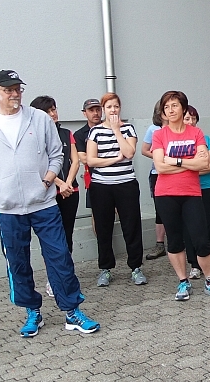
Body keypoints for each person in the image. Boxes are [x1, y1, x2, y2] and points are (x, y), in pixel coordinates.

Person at [0, 70, 98, 337]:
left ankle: (72, 311)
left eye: (18, 88)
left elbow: (56, 154)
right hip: (8, 209)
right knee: (17, 262)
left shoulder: (39, 119)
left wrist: (48, 179)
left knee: (60, 257)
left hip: (44, 205)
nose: (15, 94)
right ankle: (32, 311)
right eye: (8, 90)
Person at [151, 90, 210, 301]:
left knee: (202, 240)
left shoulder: (196, 133)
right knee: (175, 241)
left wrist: (174, 161)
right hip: (166, 194)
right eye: (166, 107)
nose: (170, 110)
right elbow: (159, 167)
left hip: (192, 194)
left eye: (174, 105)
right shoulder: (159, 135)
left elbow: (204, 163)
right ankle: (183, 282)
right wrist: (189, 163)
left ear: (183, 108)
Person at [86, 92, 145, 287]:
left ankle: (135, 267)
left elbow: (129, 152)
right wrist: (114, 159)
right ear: (103, 109)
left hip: (126, 184)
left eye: (116, 106)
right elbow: (91, 160)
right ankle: (105, 268)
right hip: (101, 186)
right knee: (104, 227)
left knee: (132, 226)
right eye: (109, 107)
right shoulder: (94, 131)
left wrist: (116, 130)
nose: (113, 110)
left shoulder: (128, 128)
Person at [30, 96, 80, 298]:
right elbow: (38, 166)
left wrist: (68, 183)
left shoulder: (67, 133)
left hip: (71, 192)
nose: (53, 114)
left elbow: (74, 161)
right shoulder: (33, 136)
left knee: (67, 236)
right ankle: (53, 278)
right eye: (48, 111)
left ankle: (65, 276)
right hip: (49, 194)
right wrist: (58, 183)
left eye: (54, 109)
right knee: (51, 239)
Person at [182, 105, 210, 280]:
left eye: (193, 118)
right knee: (189, 227)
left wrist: (186, 168)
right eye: (187, 118)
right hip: (187, 190)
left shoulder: (205, 138)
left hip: (205, 188)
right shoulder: (179, 141)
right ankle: (194, 264)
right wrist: (196, 166)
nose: (191, 121)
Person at [141, 101, 167, 261]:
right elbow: (144, 150)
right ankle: (160, 244)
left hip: (176, 172)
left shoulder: (179, 128)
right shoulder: (153, 129)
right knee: (161, 209)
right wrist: (160, 158)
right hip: (157, 173)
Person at [73, 98, 103, 234]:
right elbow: (84, 158)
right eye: (91, 110)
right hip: (94, 179)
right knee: (97, 213)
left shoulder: (112, 129)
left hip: (117, 177)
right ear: (84, 113)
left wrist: (95, 158)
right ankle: (101, 246)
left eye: (98, 109)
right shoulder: (79, 135)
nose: (95, 113)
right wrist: (110, 157)